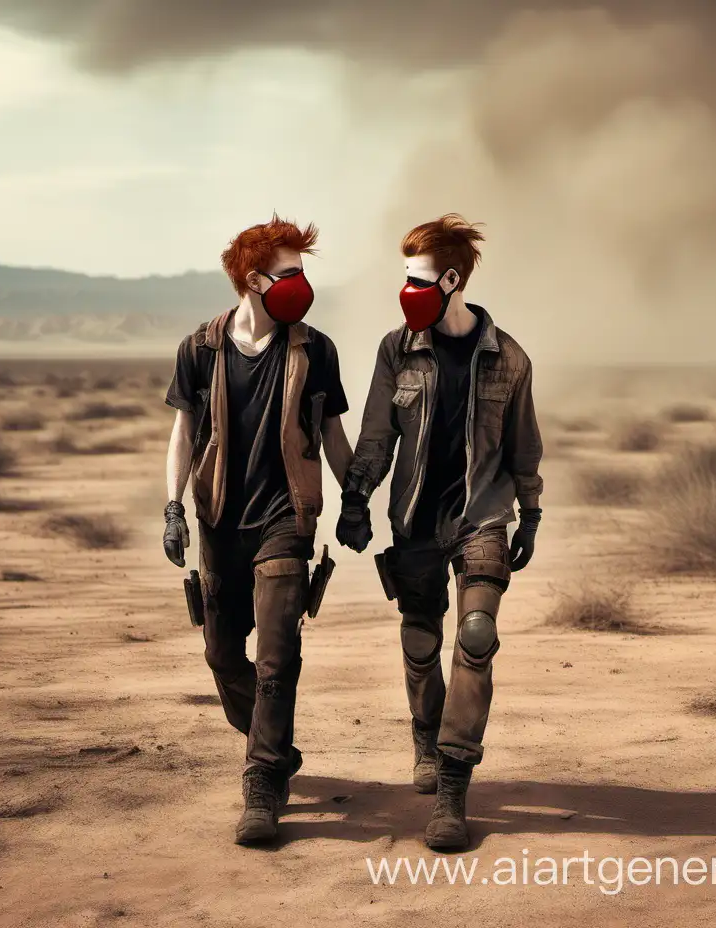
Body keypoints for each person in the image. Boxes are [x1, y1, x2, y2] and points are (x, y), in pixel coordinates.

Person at [335, 214, 544, 850]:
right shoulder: (397, 348)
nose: (407, 291)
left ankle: (454, 782)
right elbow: (376, 432)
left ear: (451, 280)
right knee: (422, 645)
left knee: (476, 638)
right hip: (416, 521)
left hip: (481, 516)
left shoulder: (508, 358)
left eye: (418, 280)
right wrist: (356, 497)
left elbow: (522, 445)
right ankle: (425, 736)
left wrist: (529, 513)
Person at [162, 215, 354, 845]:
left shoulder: (314, 349)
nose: (302, 284)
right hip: (218, 519)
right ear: (252, 279)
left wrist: (354, 499)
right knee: (222, 656)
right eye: (291, 272)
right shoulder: (200, 348)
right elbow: (184, 433)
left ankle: (263, 781)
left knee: (277, 659)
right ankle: (275, 745)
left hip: (284, 519)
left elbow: (331, 435)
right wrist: (172, 508)